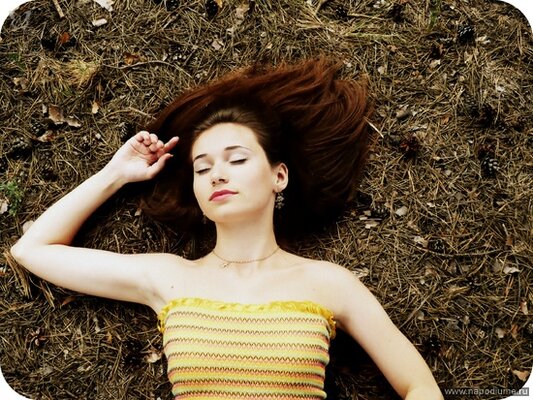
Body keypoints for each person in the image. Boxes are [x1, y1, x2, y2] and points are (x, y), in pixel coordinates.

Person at [10, 57, 443, 399]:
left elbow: (419, 386)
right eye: (202, 168)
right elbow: (32, 249)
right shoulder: (169, 278)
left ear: (278, 176)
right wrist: (116, 174)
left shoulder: (330, 284)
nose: (217, 174)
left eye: (236, 159)